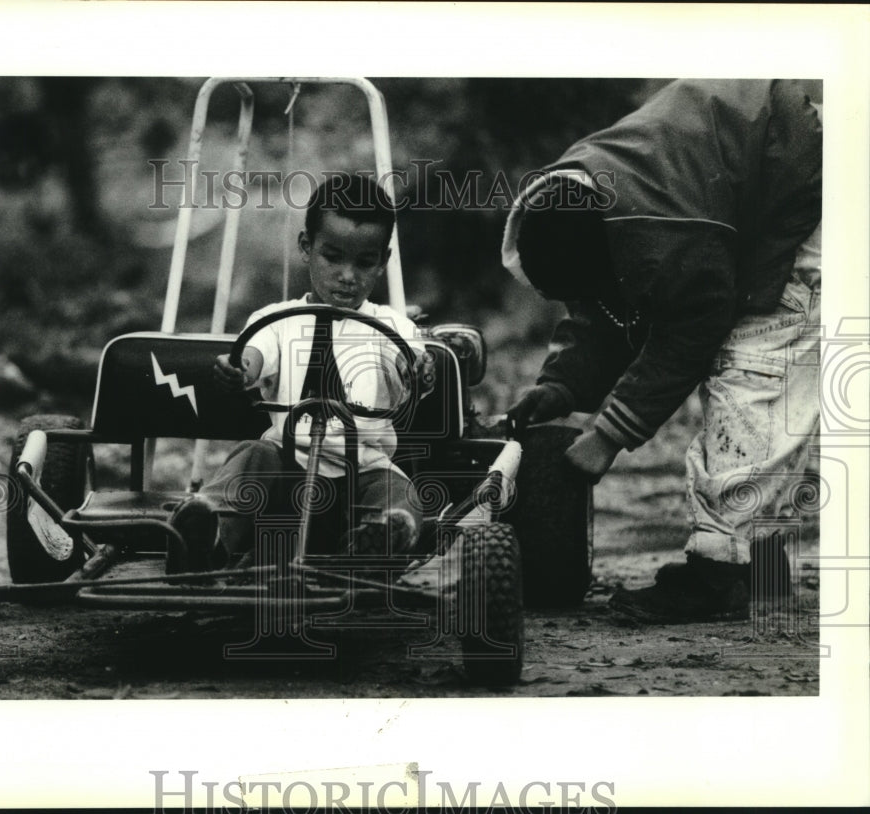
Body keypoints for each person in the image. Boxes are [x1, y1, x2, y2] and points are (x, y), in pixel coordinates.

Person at [501, 79, 822, 623]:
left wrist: (607, 436)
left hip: (803, 186)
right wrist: (562, 385)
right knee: (767, 387)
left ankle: (721, 575)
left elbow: (690, 330)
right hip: (751, 171)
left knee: (751, 370)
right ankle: (763, 573)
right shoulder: (581, 209)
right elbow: (605, 307)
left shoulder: (661, 228)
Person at [174, 173, 431, 567]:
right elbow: (254, 356)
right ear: (306, 247)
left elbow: (407, 362)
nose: (348, 275)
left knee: (402, 492)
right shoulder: (277, 320)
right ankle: (207, 532)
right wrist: (240, 370)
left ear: (383, 262)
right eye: (333, 257)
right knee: (254, 455)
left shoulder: (394, 328)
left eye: (364, 262)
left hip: (362, 470)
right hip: (286, 470)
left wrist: (415, 368)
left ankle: (382, 539)